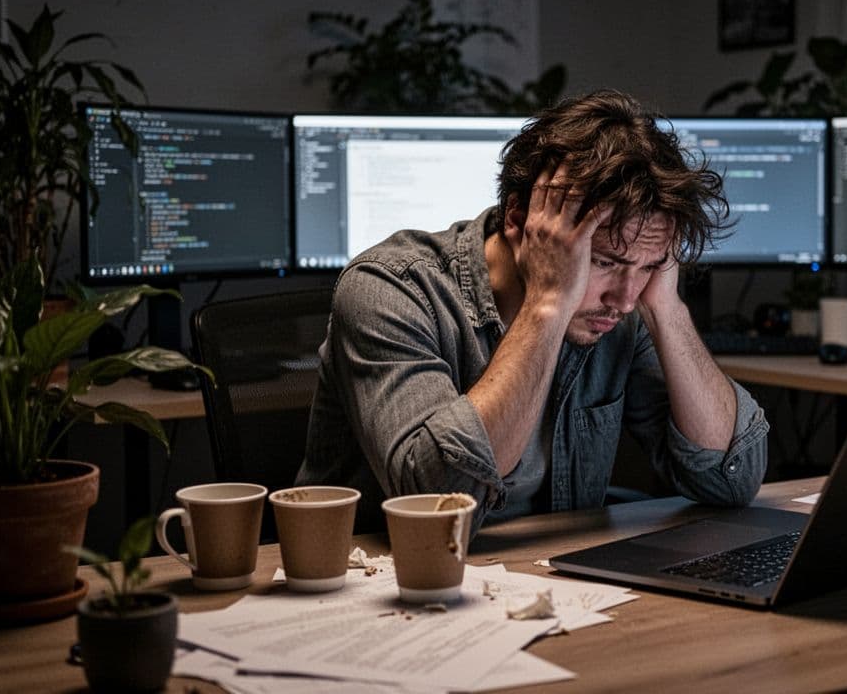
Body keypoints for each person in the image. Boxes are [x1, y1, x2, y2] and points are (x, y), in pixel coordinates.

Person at [297, 89, 769, 534]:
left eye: (649, 266)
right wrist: (548, 302)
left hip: (550, 584)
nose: (625, 300)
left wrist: (666, 306)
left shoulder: (624, 310)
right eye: (603, 262)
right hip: (388, 589)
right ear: (521, 221)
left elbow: (730, 480)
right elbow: (440, 503)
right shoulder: (391, 290)